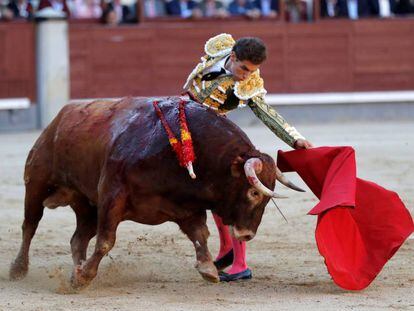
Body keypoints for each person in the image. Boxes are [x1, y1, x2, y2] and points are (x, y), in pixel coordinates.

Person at [183, 33, 313, 282]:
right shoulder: (218, 50)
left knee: (228, 197)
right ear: (232, 56)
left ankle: (240, 264)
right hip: (187, 125)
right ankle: (226, 251)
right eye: (243, 68)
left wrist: (295, 139)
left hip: (215, 139)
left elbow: (267, 113)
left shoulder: (249, 83)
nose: (246, 75)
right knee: (209, 197)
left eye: (252, 70)